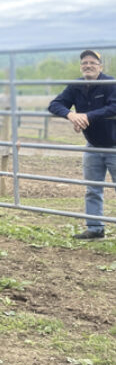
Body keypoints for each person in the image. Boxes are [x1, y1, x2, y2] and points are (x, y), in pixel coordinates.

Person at [48, 49, 116, 240]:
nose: (88, 66)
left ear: (100, 67)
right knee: (92, 189)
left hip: (114, 146)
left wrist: (87, 116)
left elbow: (114, 106)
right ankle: (95, 229)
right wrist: (71, 115)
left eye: (92, 63)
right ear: (81, 67)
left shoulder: (110, 84)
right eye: (84, 63)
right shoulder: (76, 85)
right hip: (93, 145)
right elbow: (55, 104)